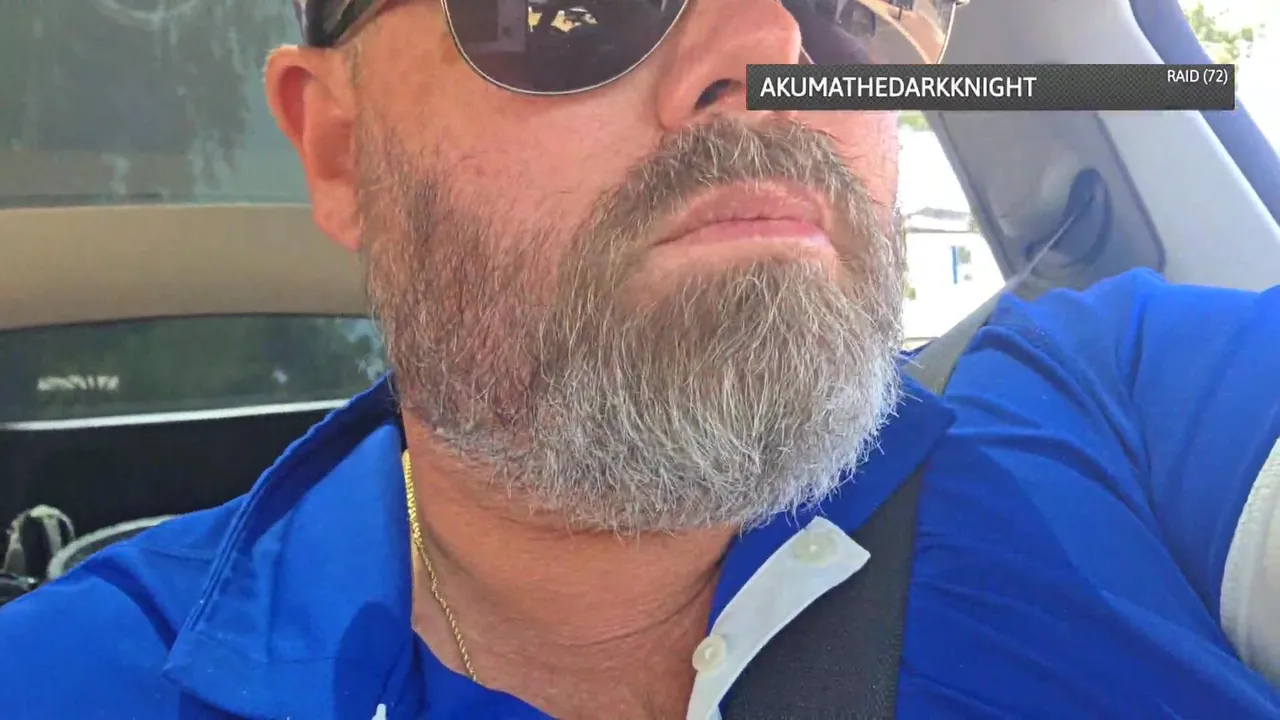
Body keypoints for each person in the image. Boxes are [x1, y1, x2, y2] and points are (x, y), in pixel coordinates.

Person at [1, 0, 1278, 718]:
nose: (772, 54)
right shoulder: (76, 684)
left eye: (840, 9)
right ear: (340, 148)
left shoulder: (1126, 415)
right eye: (577, 4)